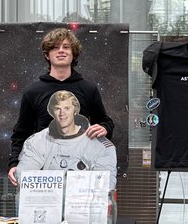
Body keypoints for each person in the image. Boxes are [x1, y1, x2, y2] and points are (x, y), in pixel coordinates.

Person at [7, 27, 113, 186]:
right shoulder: (33, 92)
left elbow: (105, 122)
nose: (61, 51)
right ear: (47, 54)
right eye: (55, 47)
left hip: (80, 175)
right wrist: (14, 163)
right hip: (42, 176)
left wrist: (105, 128)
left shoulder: (88, 89)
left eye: (66, 47)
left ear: (73, 53)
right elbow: (21, 132)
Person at [16, 90, 117, 188]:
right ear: (52, 111)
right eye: (57, 108)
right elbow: (24, 178)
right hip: (47, 202)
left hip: (83, 203)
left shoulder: (100, 146)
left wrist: (54, 181)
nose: (62, 113)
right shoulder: (37, 141)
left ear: (75, 111)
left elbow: (105, 185)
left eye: (67, 108)